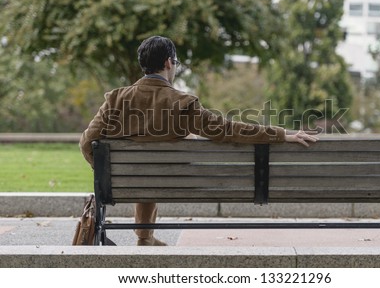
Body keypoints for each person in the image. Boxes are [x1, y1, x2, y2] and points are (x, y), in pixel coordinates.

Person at [79, 35, 318, 246]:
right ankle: (145, 237)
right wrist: (281, 134)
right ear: (168, 63)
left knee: (146, 168)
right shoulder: (183, 103)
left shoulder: (115, 100)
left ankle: (145, 237)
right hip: (177, 184)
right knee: (156, 167)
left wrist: (104, 170)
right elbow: (227, 129)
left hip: (126, 182)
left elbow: (87, 143)